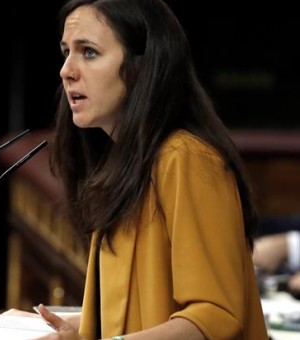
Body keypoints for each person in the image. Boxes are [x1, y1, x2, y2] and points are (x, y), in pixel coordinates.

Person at [30, 0, 268, 338]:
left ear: (144, 66)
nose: (66, 70)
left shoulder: (186, 157)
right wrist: (83, 331)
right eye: (66, 52)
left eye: (89, 52)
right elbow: (139, 309)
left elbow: (214, 317)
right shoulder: (121, 161)